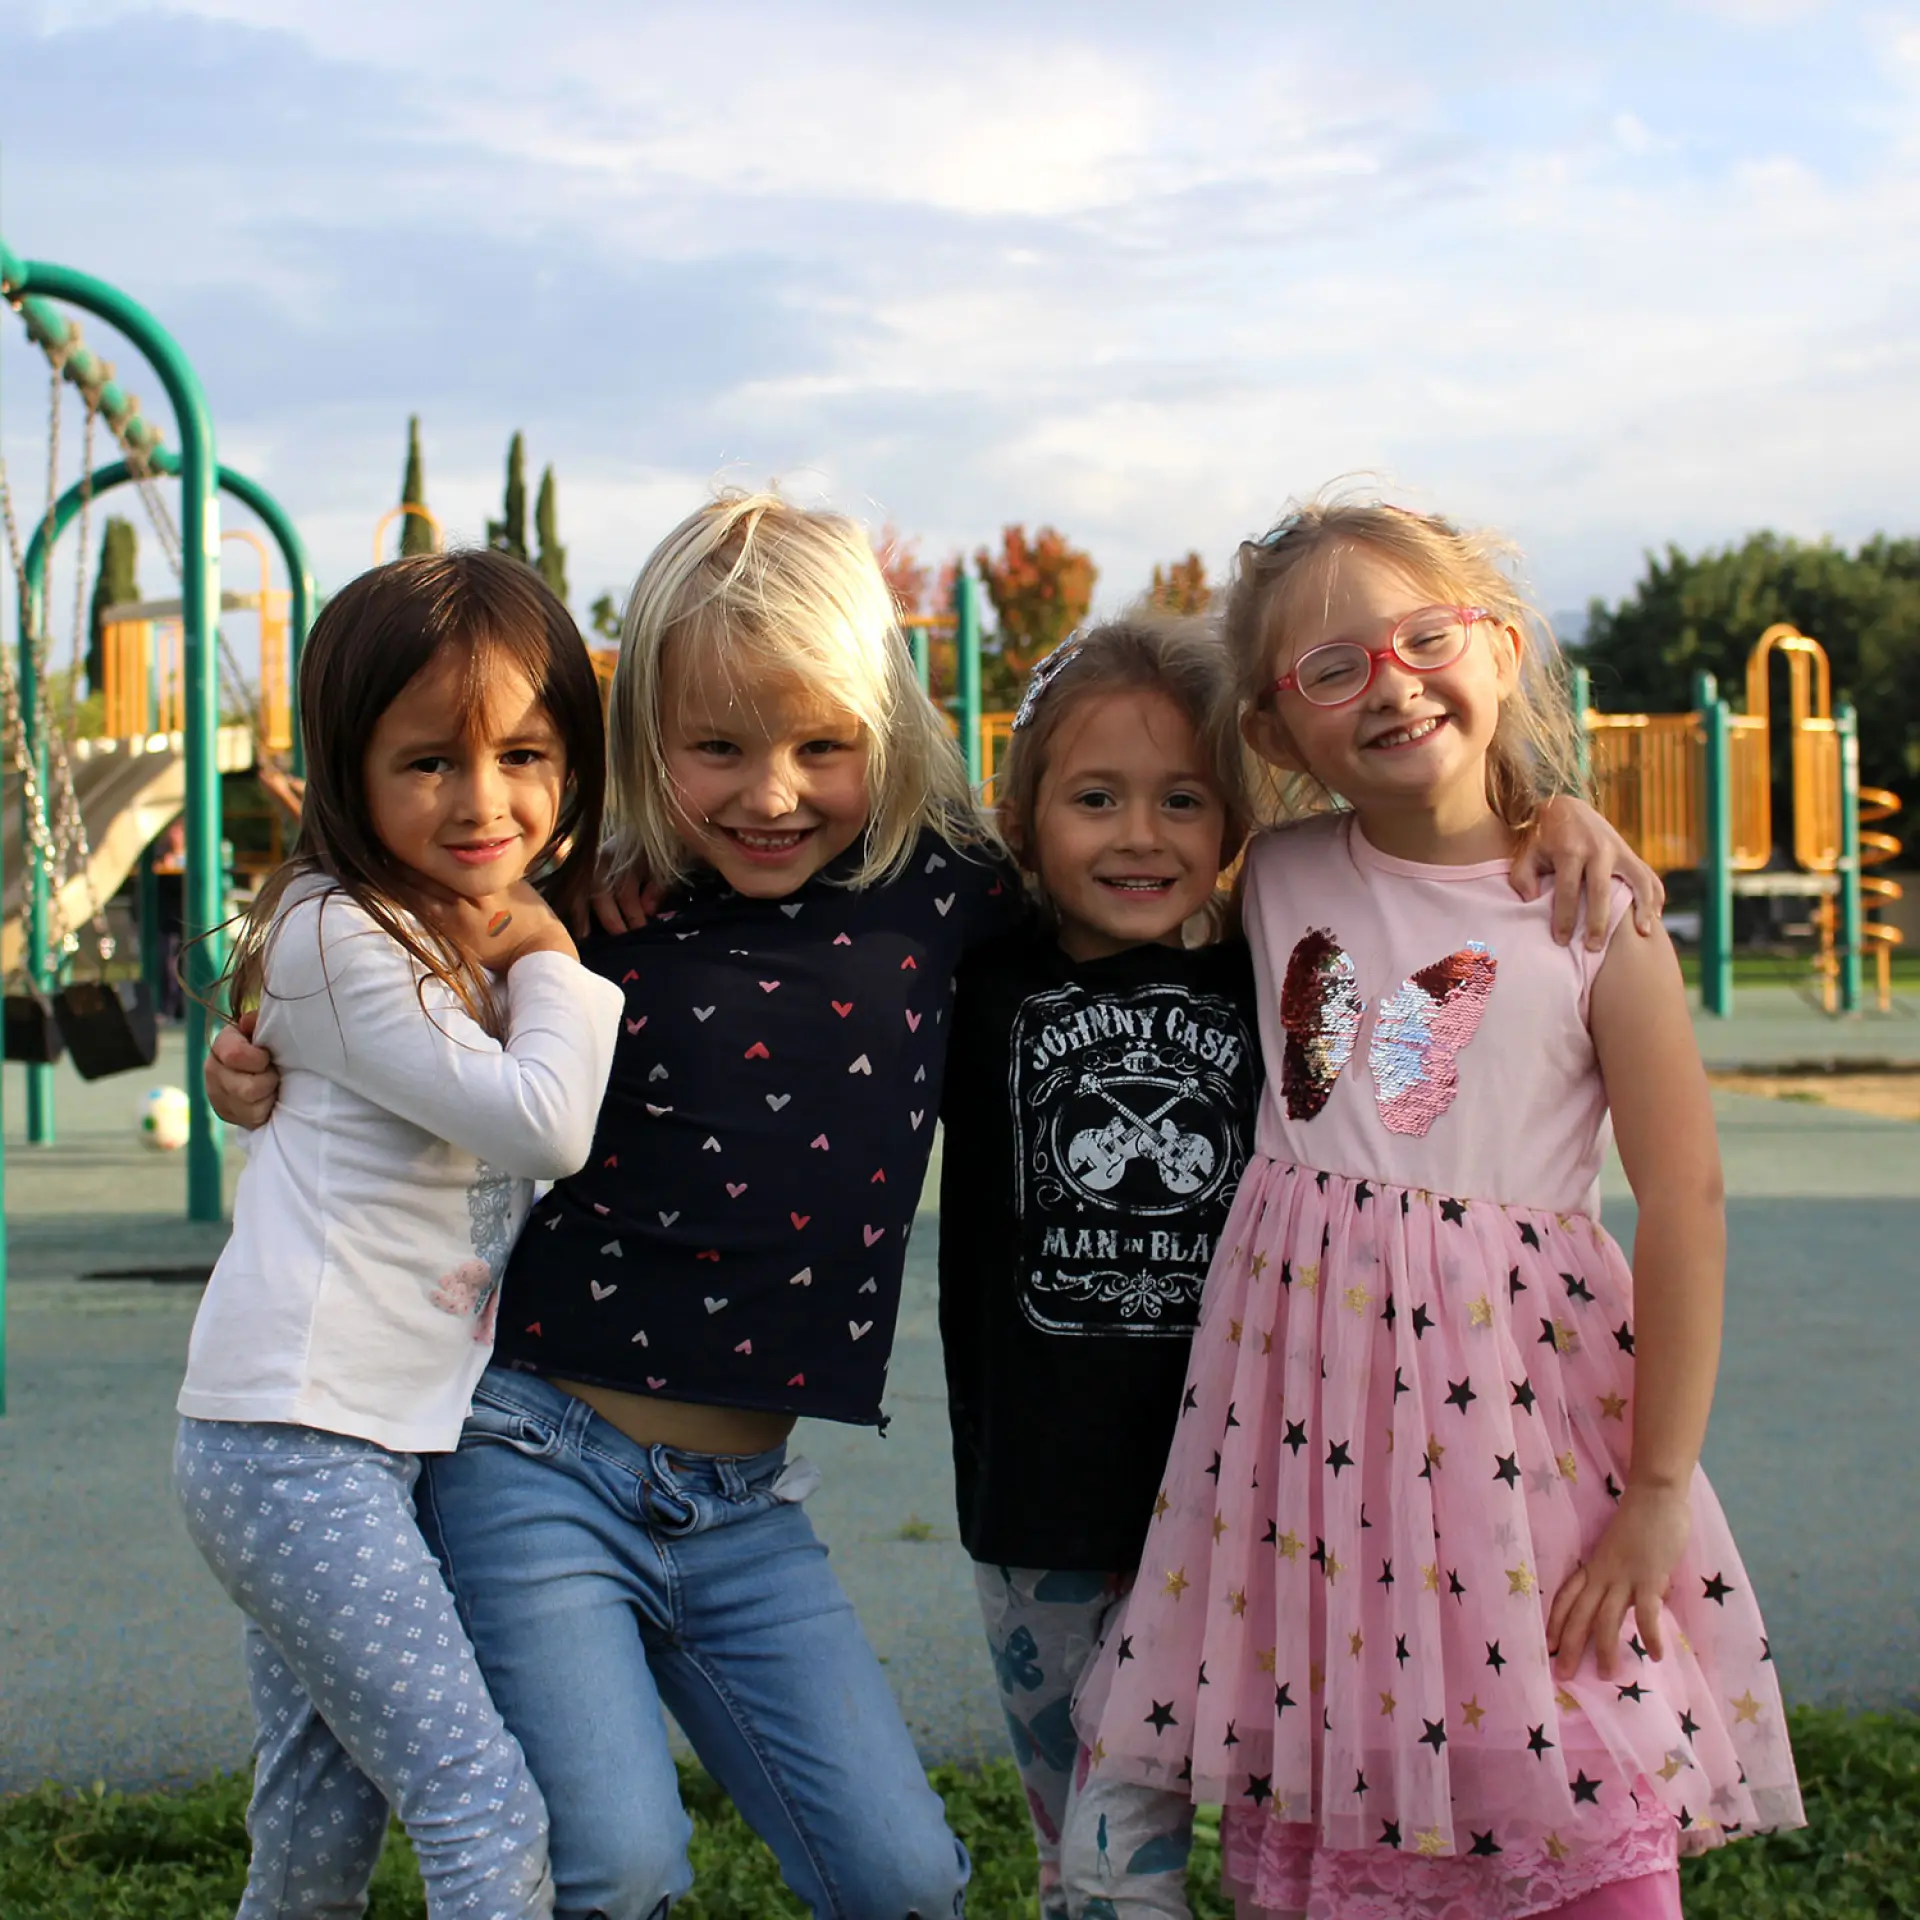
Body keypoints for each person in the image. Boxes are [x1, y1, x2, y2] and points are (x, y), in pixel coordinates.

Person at [206, 491, 1661, 1920]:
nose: (770, 793)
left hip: (742, 1506)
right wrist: (256, 1048)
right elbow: (371, 955)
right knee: (624, 1866)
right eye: (715, 747)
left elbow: (1162, 842)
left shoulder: (940, 894)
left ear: (881, 736)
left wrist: (1548, 809)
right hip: (534, 1455)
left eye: (819, 747)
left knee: (906, 1881)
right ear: (649, 737)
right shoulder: (588, 902)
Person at [1073, 500, 1805, 1920]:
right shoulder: (1275, 874)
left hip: (1519, 1415)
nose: (1393, 683)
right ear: (1280, 737)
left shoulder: (1595, 917)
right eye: (1333, 669)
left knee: (1559, 1707)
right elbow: (1100, 818)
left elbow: (1688, 1197)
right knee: (1356, 1721)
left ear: (1504, 649)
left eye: (1425, 639)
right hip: (1313, 1439)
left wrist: (1658, 1491)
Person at [173, 551, 624, 1920]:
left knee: (323, 1804)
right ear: (346, 774)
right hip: (296, 1442)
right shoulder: (340, 931)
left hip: (364, 1436)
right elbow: (543, 1123)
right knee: (482, 1811)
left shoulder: (442, 926)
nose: (486, 802)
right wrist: (551, 953)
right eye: (430, 762)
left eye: (527, 754)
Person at [941, 613, 1263, 1920]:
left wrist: (1560, 826)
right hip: (1034, 1506)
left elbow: (1433, 882)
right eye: (1095, 798)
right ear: (1023, 823)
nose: (1140, 833)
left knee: (1126, 1862)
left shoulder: (1274, 977)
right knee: (1075, 1837)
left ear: (1234, 823)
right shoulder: (975, 977)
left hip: (1225, 1502)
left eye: (1182, 799)